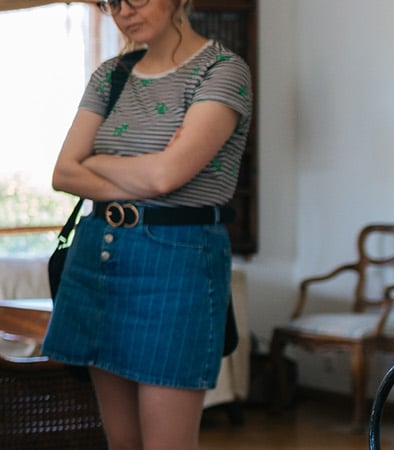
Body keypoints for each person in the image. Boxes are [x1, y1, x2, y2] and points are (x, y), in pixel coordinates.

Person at [46, 0, 250, 447]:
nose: (123, 11)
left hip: (177, 263)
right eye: (110, 2)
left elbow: (166, 176)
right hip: (96, 253)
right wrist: (147, 173)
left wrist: (99, 163)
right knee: (122, 444)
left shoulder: (221, 71)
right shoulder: (111, 75)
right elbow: (64, 172)